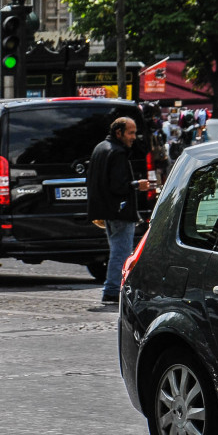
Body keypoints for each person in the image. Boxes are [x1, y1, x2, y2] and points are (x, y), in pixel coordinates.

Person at [87, 116, 150, 304]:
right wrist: (137, 185)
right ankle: (113, 290)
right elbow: (119, 186)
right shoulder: (117, 153)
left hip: (108, 210)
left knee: (118, 250)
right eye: (130, 133)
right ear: (118, 133)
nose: (134, 137)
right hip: (119, 210)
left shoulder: (101, 148)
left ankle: (115, 289)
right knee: (121, 252)